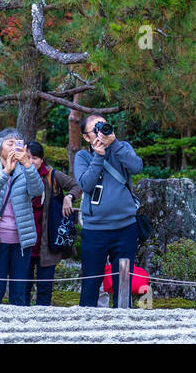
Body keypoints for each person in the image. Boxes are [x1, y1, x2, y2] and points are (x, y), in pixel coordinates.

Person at [73, 114, 143, 308]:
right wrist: (98, 155)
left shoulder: (123, 148)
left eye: (103, 126)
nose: (100, 131)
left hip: (125, 226)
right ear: (86, 137)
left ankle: (123, 325)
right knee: (91, 283)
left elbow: (137, 167)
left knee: (123, 283)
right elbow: (86, 184)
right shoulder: (83, 156)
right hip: (95, 229)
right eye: (95, 129)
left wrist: (115, 144)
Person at [0, 128, 44, 306]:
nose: (13, 146)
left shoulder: (27, 171)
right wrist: (5, 172)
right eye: (9, 143)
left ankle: (19, 331)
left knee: (19, 292)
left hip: (21, 240)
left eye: (17, 143)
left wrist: (27, 165)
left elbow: (37, 191)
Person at [26, 141, 81, 307]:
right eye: (28, 157)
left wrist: (68, 197)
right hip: (25, 241)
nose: (31, 161)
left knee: (44, 287)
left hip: (47, 241)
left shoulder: (52, 175)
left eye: (35, 158)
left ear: (42, 159)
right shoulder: (19, 175)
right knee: (22, 286)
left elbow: (76, 186)